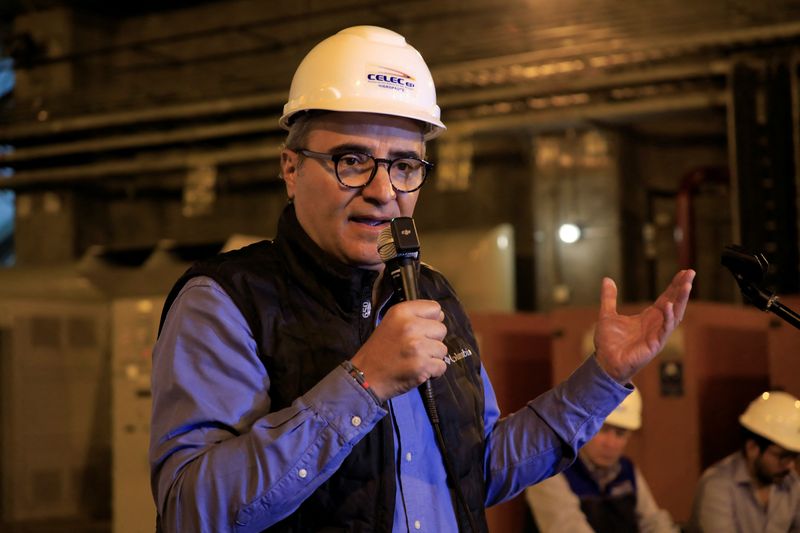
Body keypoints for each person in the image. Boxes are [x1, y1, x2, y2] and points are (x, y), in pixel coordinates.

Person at [148, 25, 695, 532]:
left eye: (405, 165)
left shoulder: (430, 293)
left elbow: (478, 470)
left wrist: (601, 377)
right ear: (291, 168)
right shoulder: (227, 301)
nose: (384, 191)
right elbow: (190, 511)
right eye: (352, 160)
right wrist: (362, 384)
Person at [525, 387, 679, 533]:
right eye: (603, 430)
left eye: (620, 433)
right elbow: (569, 528)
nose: (610, 443)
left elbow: (653, 522)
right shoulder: (550, 471)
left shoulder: (627, 470)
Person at [688, 391, 800, 533]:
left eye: (794, 457)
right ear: (752, 448)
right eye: (782, 456)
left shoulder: (791, 483)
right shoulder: (718, 485)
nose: (790, 465)